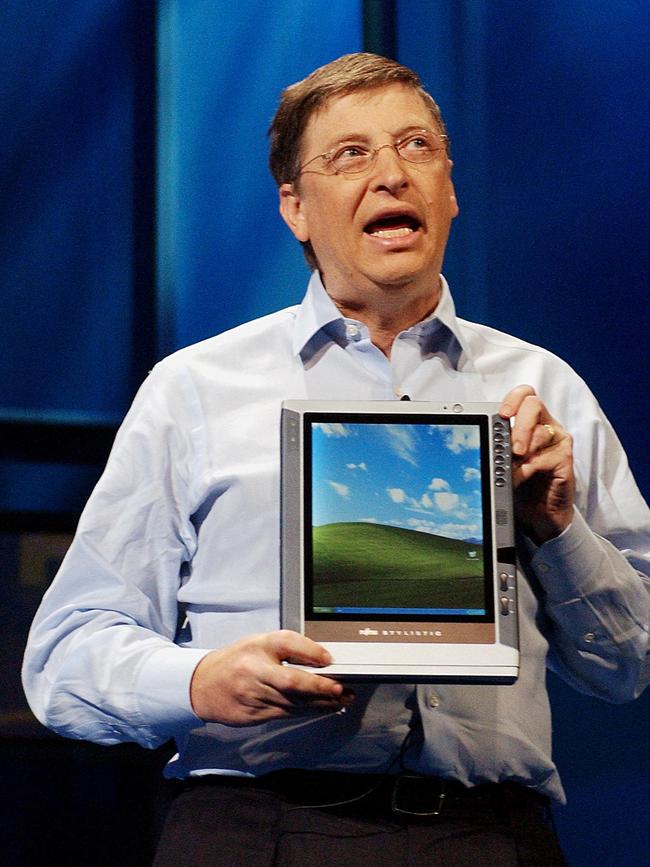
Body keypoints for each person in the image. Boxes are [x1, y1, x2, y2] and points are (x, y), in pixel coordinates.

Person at [23, 53, 650, 866]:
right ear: (295, 208)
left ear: (451, 190)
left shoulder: (544, 388)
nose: (391, 174)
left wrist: (558, 527)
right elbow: (64, 658)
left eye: (417, 147)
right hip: (256, 830)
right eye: (351, 155)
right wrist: (198, 680)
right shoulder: (195, 389)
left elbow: (628, 664)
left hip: (491, 835)